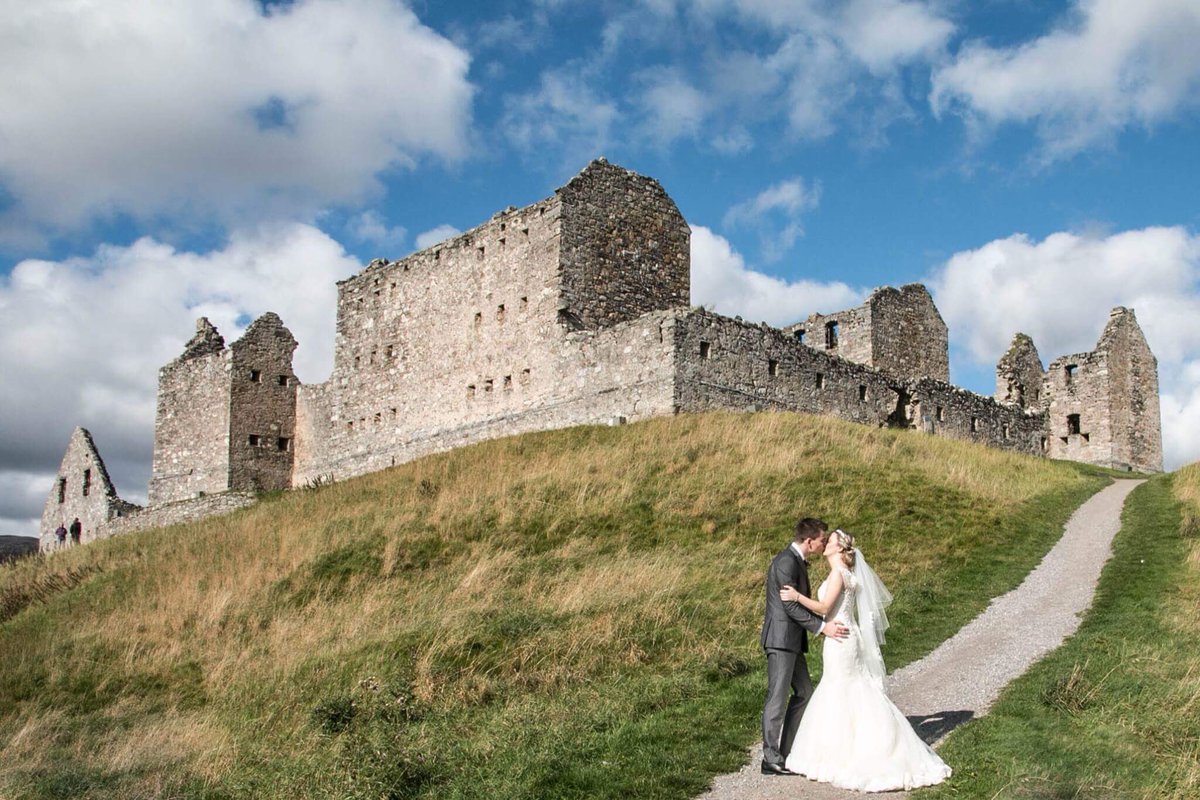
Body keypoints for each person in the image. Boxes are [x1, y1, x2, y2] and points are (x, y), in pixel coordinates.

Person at [781, 529, 951, 791]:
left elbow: (825, 607)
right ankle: (844, 750)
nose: (825, 544)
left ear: (840, 549)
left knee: (843, 690)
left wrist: (797, 597)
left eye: (831, 541)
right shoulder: (842, 573)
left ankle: (851, 754)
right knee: (846, 690)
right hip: (843, 637)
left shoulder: (839, 573)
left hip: (841, 641)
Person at [759, 518, 849, 775]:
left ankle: (786, 752)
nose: (823, 544)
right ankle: (770, 758)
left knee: (805, 691)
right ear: (809, 541)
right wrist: (822, 628)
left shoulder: (795, 561)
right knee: (776, 698)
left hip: (792, 641)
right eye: (822, 540)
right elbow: (790, 605)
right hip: (781, 640)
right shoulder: (786, 562)